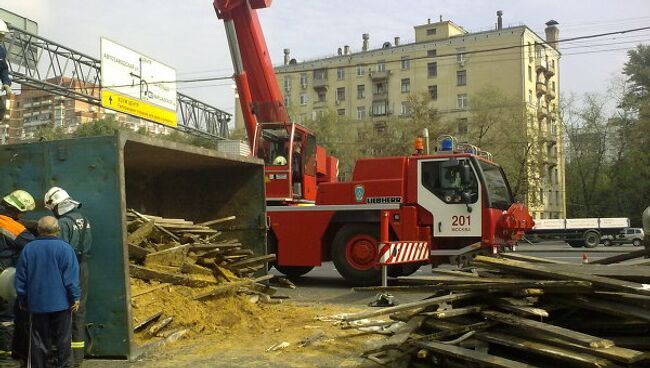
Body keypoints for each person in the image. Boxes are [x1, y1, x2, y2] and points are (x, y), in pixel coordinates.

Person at [14, 216, 80, 368]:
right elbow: (71, 277)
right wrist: (75, 297)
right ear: (58, 230)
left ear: (38, 230)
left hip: (36, 305)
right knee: (63, 341)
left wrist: (23, 300)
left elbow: (21, 278)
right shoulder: (65, 249)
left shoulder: (28, 249)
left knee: (38, 341)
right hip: (62, 304)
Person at [44, 187, 91, 367]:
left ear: (57, 205)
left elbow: (60, 250)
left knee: (64, 311)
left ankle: (65, 357)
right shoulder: (83, 219)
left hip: (68, 268)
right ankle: (77, 357)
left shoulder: (62, 223)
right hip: (83, 266)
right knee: (79, 310)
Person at [0, 190, 35, 361]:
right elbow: (33, 244)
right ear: (16, 210)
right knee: (6, 316)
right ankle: (4, 357)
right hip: (3, 274)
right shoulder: (12, 226)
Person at [0, 20, 14, 100]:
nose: (2, 39)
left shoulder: (1, 51)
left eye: (2, 36)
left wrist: (6, 83)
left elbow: (3, 69)